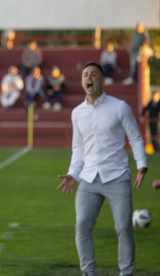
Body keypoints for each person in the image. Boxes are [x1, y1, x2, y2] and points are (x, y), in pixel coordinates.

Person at [57, 62, 147, 276]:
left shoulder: (120, 106)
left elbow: (134, 137)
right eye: (85, 75)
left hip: (117, 177)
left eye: (94, 75)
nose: (89, 78)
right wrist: (73, 173)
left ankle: (126, 272)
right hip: (88, 179)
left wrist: (141, 164)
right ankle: (89, 272)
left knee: (124, 228)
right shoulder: (77, 113)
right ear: (82, 81)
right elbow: (78, 148)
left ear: (102, 80)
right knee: (82, 225)